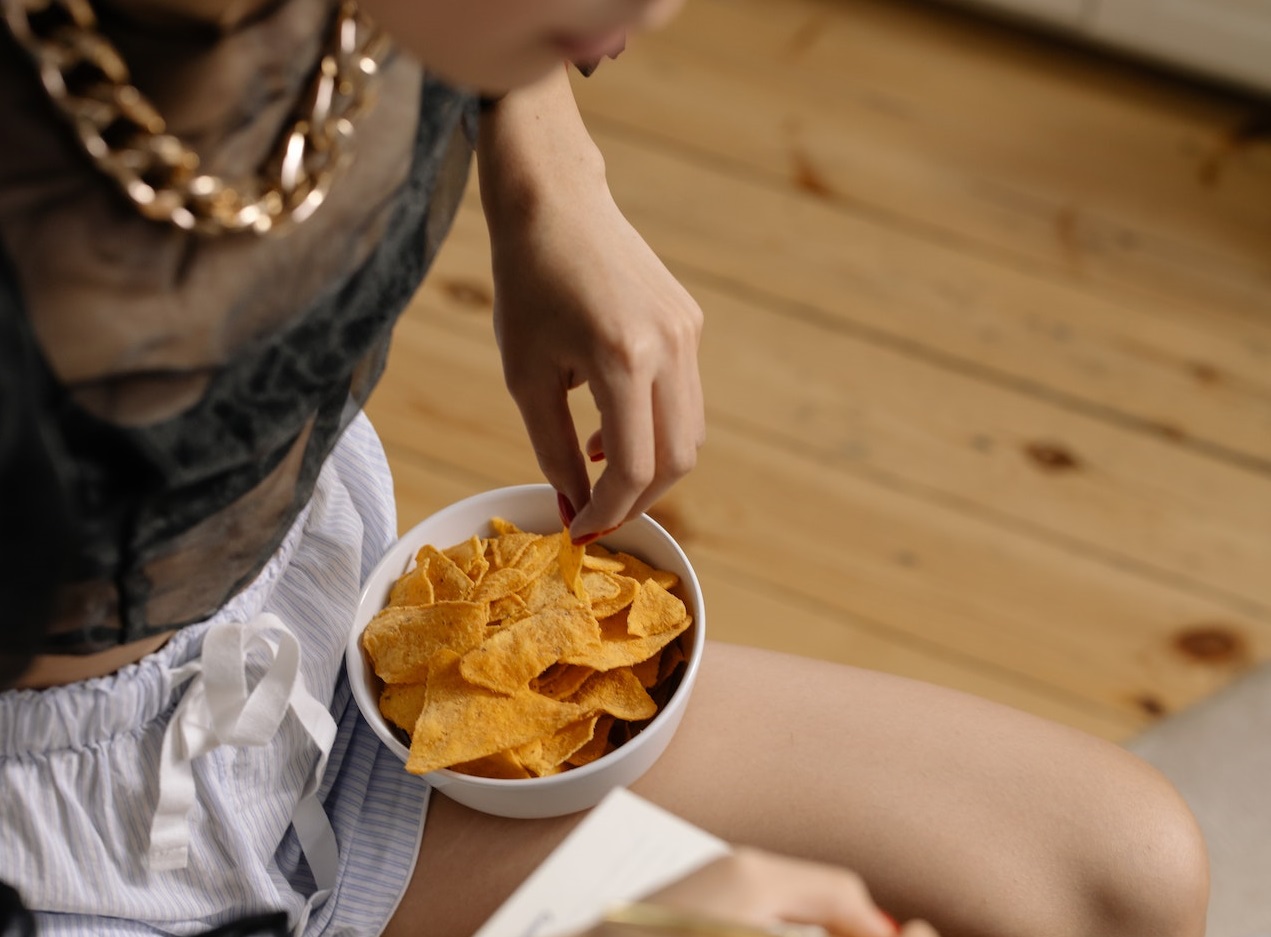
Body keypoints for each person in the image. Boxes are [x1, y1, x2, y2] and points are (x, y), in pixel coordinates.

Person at [0, 0, 1209, 935]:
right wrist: (589, 915)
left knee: (1115, 869)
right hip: (65, 859)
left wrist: (548, 175)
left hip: (314, 696)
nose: (661, 13)